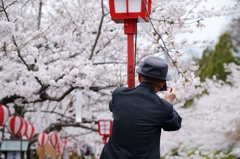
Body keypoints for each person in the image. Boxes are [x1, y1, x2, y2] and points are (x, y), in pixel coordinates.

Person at [100, 56, 182, 159]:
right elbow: (175, 124)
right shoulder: (162, 107)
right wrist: (168, 101)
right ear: (162, 84)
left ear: (139, 77)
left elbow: (112, 107)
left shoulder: (119, 94)